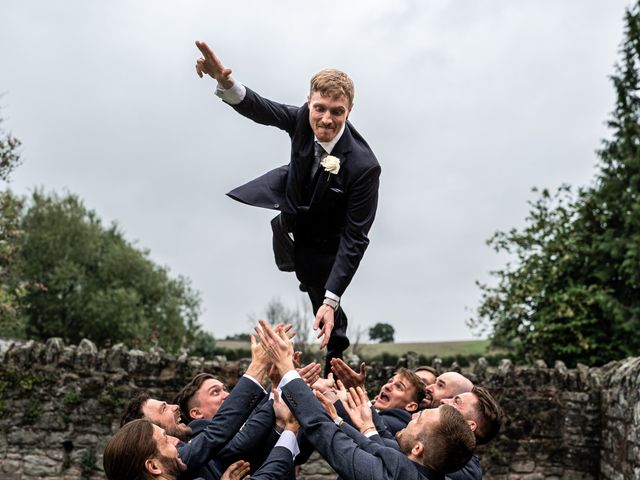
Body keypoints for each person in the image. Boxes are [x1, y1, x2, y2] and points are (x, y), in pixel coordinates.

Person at [195, 41, 381, 374]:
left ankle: (333, 366)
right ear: (309, 102)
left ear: (349, 111)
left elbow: (356, 238)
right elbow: (261, 108)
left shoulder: (365, 167)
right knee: (283, 229)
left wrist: (330, 300)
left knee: (318, 288)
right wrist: (224, 83)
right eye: (319, 108)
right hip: (293, 194)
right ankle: (289, 245)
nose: (326, 119)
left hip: (327, 234)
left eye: (337, 112)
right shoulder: (300, 118)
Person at [255, 321, 476, 479]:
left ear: (418, 449)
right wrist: (340, 420)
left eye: (418, 419)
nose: (414, 415)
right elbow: (378, 447)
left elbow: (323, 432)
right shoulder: (416, 467)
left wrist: (287, 369)